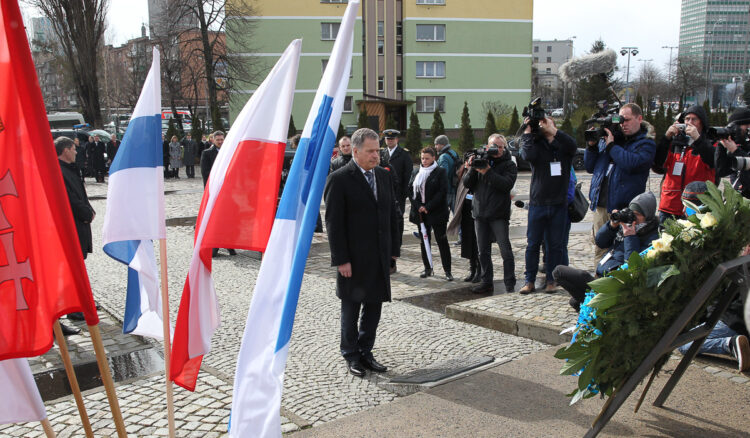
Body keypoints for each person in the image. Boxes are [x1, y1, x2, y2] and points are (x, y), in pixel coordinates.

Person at [325, 128, 401, 378]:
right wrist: (341, 259)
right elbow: (334, 224)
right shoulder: (339, 179)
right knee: (351, 309)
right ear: (355, 151)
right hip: (354, 259)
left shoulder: (383, 175)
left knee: (374, 307)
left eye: (377, 150)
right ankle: (351, 354)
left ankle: (366, 351)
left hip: (379, 256)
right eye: (370, 151)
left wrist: (393, 252)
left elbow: (392, 214)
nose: (376, 155)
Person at [553, 192, 659, 312]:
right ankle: (594, 304)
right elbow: (600, 242)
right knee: (575, 301)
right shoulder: (625, 224)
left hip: (612, 285)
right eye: (631, 213)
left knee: (560, 272)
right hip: (601, 276)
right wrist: (611, 225)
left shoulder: (651, 237)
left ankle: (600, 305)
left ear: (648, 216)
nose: (633, 217)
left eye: (637, 215)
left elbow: (632, 266)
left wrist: (630, 236)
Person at [585, 103, 656, 264]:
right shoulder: (611, 138)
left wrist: (611, 146)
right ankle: (599, 282)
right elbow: (590, 167)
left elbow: (631, 163)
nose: (623, 124)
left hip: (626, 207)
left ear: (639, 119)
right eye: (621, 120)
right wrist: (592, 147)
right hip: (602, 205)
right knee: (600, 248)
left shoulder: (645, 143)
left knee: (623, 250)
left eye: (627, 120)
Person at [519, 117, 577, 294]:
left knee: (555, 245)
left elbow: (573, 145)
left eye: (547, 123)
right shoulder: (537, 145)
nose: (543, 126)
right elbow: (526, 155)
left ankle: (552, 280)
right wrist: (528, 132)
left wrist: (554, 131)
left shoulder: (563, 147)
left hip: (559, 203)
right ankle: (529, 280)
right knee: (533, 244)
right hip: (538, 203)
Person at [463, 134, 518, 294]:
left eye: (501, 147)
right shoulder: (481, 159)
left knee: (505, 250)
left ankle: (509, 283)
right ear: (488, 147)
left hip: (498, 214)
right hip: (480, 213)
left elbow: (506, 184)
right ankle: (487, 282)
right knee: (483, 252)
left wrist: (487, 171)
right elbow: (467, 183)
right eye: (495, 146)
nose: (498, 150)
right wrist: (473, 168)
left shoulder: (509, 164)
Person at [56, 136, 96, 335]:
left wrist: (89, 208)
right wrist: (86, 213)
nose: (76, 152)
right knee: (72, 269)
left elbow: (81, 194)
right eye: (73, 149)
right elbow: (70, 199)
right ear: (65, 151)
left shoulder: (71, 169)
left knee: (78, 267)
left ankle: (79, 305)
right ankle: (73, 308)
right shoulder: (59, 172)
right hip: (72, 227)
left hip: (80, 225)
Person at [652, 105, 715, 224]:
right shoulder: (676, 142)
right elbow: (658, 164)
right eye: (687, 119)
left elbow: (713, 162)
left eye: (694, 119)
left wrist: (698, 139)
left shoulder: (710, 143)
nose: (689, 123)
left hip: (696, 207)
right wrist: (666, 138)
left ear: (702, 123)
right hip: (670, 205)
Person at [408, 147, 452, 280]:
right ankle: (427, 267)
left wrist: (428, 206)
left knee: (441, 240)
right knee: (424, 240)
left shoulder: (440, 171)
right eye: (422, 158)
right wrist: (419, 206)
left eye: (427, 158)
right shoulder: (416, 171)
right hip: (420, 213)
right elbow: (410, 190)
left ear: (434, 158)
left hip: (436, 211)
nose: (424, 161)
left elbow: (442, 192)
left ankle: (447, 270)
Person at [380, 129, 412, 274]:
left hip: (398, 193)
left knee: (397, 220)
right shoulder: (382, 153)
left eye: (392, 139)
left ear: (397, 140)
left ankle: (397, 244)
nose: (390, 141)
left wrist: (404, 194)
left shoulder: (404, 154)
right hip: (385, 192)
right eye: (387, 139)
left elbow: (408, 175)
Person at [447, 153, 480, 283]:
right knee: (468, 241)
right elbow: (459, 186)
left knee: (477, 242)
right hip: (465, 210)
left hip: (477, 210)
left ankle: (480, 270)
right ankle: (472, 269)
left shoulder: (479, 171)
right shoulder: (463, 172)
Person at [715, 108, 750, 198]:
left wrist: (736, 151)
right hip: (738, 200)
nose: (735, 130)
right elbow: (721, 171)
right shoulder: (740, 147)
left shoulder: (739, 150)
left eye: (737, 127)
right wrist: (721, 146)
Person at [434, 135, 460, 211]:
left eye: (436, 144)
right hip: (455, 188)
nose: (435, 147)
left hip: (447, 191)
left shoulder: (443, 157)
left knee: (441, 217)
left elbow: (443, 175)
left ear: (442, 145)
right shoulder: (454, 153)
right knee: (457, 216)